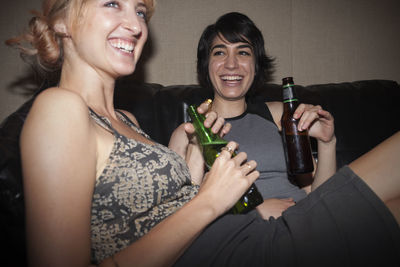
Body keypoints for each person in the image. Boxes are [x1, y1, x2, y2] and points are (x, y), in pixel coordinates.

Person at [7, 1, 399, 266]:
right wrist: (212, 199)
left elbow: (161, 214)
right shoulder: (60, 108)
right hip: (245, 250)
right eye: (111, 2)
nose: (135, 24)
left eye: (140, 10)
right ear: (60, 20)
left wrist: (195, 173)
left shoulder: (127, 119)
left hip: (251, 236)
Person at [196, 12, 336, 218]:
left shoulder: (280, 114)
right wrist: (254, 213)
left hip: (307, 218)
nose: (231, 64)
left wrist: (327, 142)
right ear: (206, 64)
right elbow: (186, 216)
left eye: (243, 52)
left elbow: (319, 195)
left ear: (256, 66)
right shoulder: (190, 132)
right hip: (252, 234)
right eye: (219, 52)